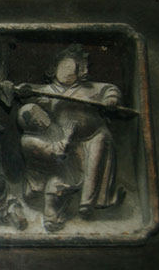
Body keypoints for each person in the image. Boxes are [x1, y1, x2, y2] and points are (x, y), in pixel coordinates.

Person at [19, 44, 125, 217]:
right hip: (65, 139)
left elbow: (109, 89)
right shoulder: (47, 91)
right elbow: (26, 90)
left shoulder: (89, 88)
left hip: (92, 136)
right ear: (53, 69)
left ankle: (88, 202)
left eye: (74, 68)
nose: (69, 71)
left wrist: (111, 99)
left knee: (101, 143)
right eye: (65, 66)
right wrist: (21, 91)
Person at [18, 103, 81, 231]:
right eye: (38, 118)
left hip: (57, 170)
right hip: (39, 182)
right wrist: (68, 136)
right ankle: (51, 219)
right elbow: (56, 152)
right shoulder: (29, 141)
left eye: (41, 112)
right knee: (54, 188)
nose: (43, 117)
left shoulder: (50, 128)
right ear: (35, 123)